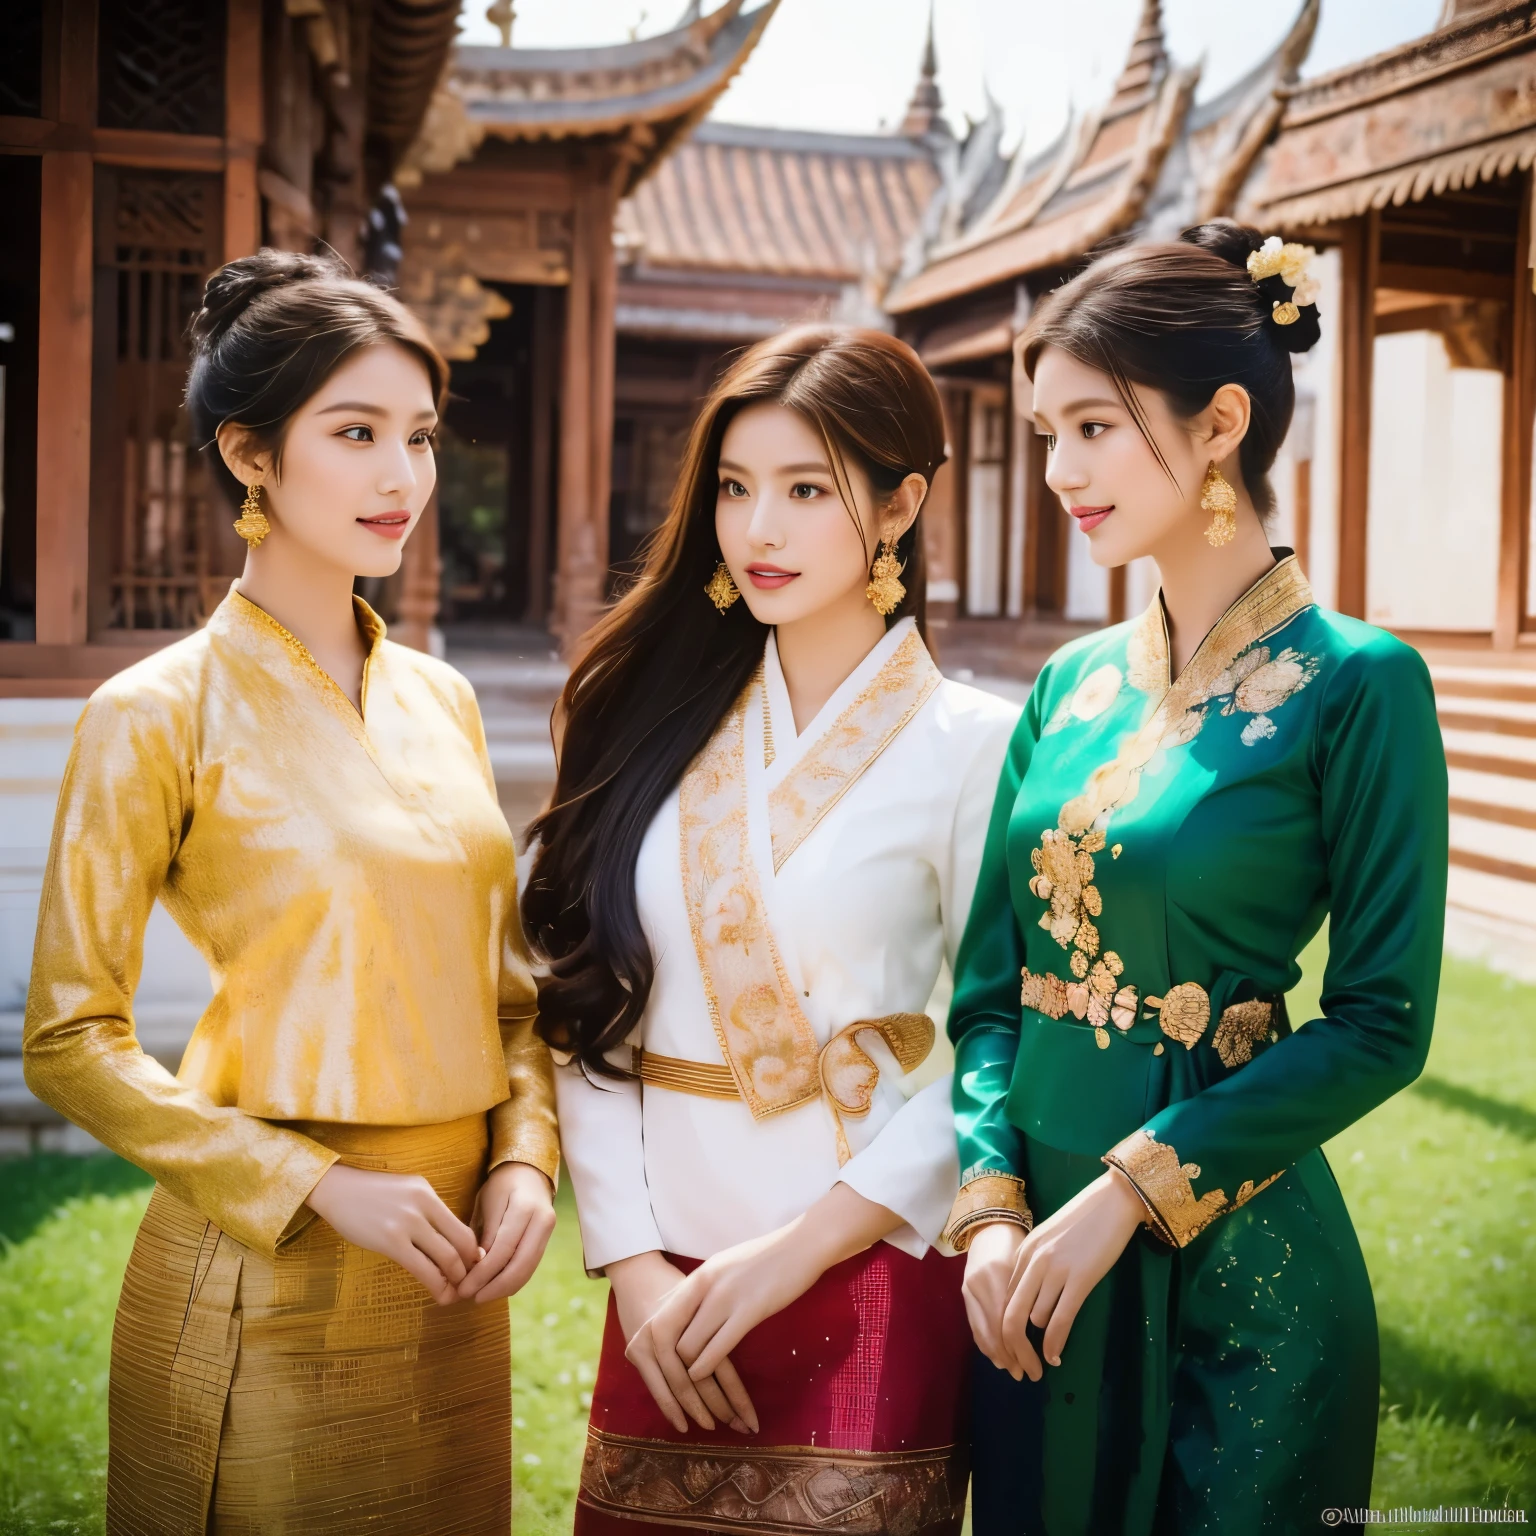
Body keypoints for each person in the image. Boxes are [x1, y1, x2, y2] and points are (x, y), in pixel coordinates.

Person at [22, 250, 559, 1535]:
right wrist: (316, 1186)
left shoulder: (445, 701)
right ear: (251, 455)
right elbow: (68, 1038)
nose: (401, 477)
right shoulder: (152, 713)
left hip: (453, 1284)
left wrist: (527, 1160)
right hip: (271, 1267)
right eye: (356, 432)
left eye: (419, 437)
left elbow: (511, 996)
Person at [947, 222, 1449, 1534]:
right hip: (1028, 1282)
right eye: (1046, 432)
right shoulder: (1070, 686)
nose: (1060, 470)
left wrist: (1132, 1190)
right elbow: (991, 995)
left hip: (1237, 1270)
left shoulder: (1359, 684)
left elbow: (1385, 1023)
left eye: (1094, 428)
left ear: (1220, 420)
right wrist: (993, 1212)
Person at [524, 326, 1020, 1535]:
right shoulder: (650, 725)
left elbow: (989, 1039)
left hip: (871, 1260)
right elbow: (588, 996)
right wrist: (634, 1263)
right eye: (737, 489)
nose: (759, 530)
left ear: (900, 505)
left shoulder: (980, 745)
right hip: (667, 1285)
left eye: (807, 490)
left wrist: (803, 1251)